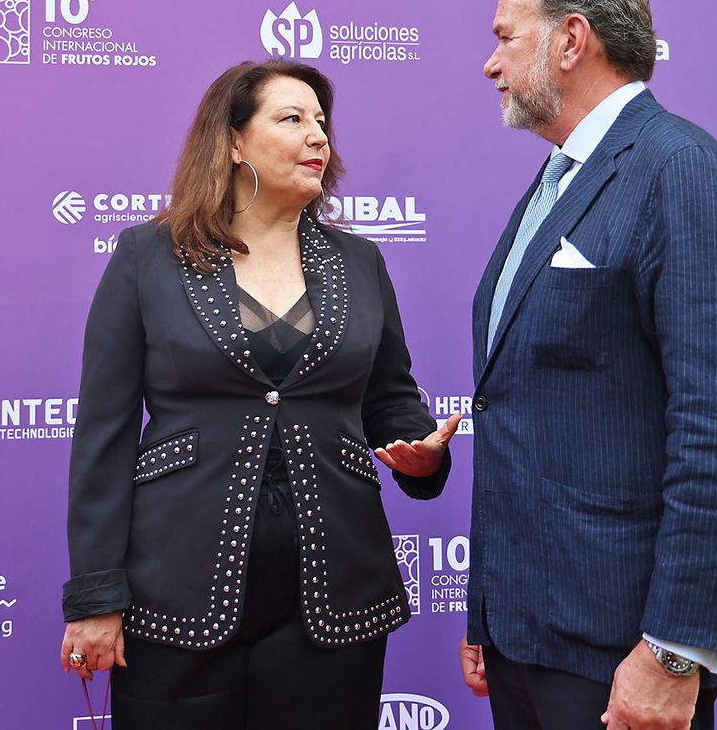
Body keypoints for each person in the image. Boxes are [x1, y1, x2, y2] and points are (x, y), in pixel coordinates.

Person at [60, 60, 459, 729]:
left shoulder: (360, 263)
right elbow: (103, 436)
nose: (318, 137)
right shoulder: (146, 257)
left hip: (337, 591)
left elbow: (390, 398)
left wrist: (419, 448)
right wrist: (96, 595)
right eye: (292, 118)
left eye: (322, 123)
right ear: (234, 141)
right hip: (176, 592)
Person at [460, 0, 717, 730]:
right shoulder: (558, 180)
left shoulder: (679, 171)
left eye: (506, 36)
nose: (489, 64)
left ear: (571, 40)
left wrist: (676, 649)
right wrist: (489, 612)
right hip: (531, 639)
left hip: (623, 651)